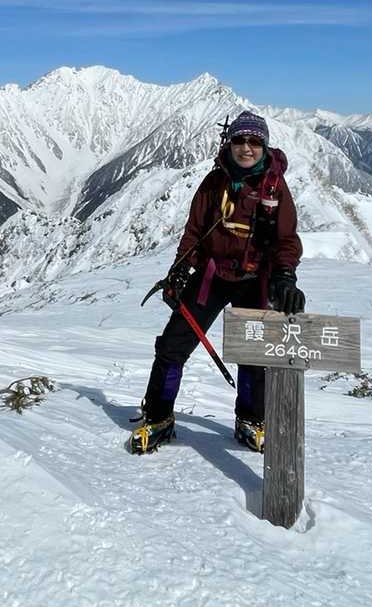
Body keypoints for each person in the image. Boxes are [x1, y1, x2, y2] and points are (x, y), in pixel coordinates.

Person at [128, 110, 304, 455]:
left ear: (264, 146)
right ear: (229, 143)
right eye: (239, 140)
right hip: (212, 276)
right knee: (172, 346)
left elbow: (287, 239)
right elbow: (194, 231)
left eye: (254, 141)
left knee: (253, 355)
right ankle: (159, 416)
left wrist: (285, 275)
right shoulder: (213, 182)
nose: (246, 147)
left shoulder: (274, 188)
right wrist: (180, 269)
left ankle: (251, 419)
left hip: (255, 280)